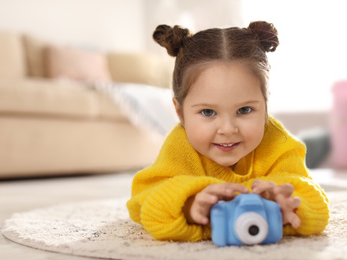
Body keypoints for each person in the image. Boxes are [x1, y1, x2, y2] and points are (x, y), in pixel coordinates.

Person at [126, 21, 329, 242]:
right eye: (207, 112)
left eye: (244, 110)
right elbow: (142, 201)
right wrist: (189, 205)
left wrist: (288, 206)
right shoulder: (180, 145)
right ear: (180, 112)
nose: (227, 129)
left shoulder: (277, 142)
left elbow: (314, 200)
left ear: (266, 105)